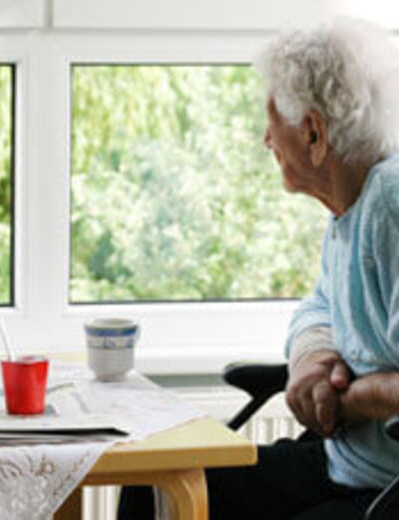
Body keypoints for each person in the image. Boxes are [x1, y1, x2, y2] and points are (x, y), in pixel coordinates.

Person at [117, 17, 399, 519]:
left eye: (272, 120)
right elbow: (319, 308)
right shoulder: (346, 212)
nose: (267, 139)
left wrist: (346, 401)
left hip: (386, 483)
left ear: (313, 133)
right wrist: (313, 363)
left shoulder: (390, 206)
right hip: (343, 461)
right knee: (154, 485)